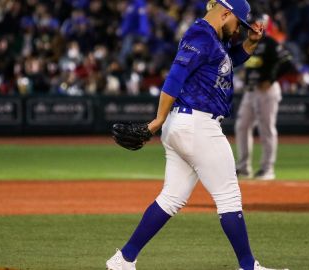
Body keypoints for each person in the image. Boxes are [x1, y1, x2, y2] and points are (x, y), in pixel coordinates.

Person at [106, 1, 288, 270]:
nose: (239, 29)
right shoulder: (201, 34)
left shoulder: (212, 39)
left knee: (171, 197)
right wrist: (157, 120)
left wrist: (250, 44)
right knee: (228, 197)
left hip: (185, 126)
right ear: (226, 14)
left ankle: (124, 259)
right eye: (238, 23)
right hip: (198, 125)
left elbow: (227, 63)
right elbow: (174, 78)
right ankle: (248, 267)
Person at [234, 13, 294, 180]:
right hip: (250, 90)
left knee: (266, 129)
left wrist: (271, 79)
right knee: (242, 126)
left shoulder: (270, 42)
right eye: (251, 23)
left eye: (256, 22)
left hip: (267, 91)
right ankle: (244, 167)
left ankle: (268, 168)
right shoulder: (247, 43)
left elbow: (287, 62)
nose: (253, 25)